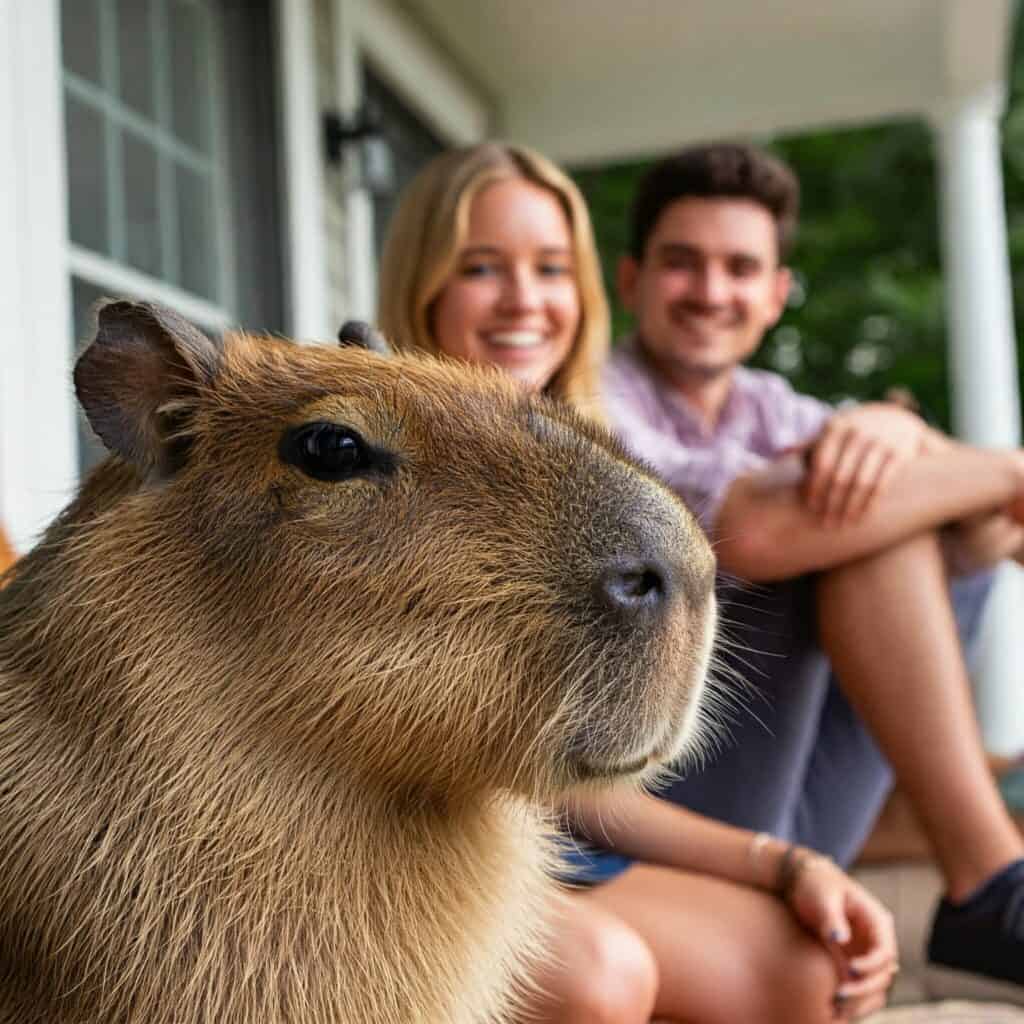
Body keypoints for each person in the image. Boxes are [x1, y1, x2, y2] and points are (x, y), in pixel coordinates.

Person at [377, 140, 898, 1023]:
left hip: (561, 838)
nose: (524, 302)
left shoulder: (582, 452)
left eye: (549, 268)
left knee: (816, 973)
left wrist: (788, 863)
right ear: (425, 281)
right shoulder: (370, 459)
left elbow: (577, 781)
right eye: (481, 268)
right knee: (603, 979)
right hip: (404, 847)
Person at [602, 140, 1024, 1002]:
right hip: (659, 803)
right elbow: (749, 531)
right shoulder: (592, 399)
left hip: (803, 802)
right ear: (630, 280)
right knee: (855, 517)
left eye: (740, 268)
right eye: (683, 264)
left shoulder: (777, 409)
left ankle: (994, 885)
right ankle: (992, 881)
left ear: (776, 292)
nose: (712, 292)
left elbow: (981, 533)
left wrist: (898, 430)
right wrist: (1006, 468)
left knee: (912, 524)